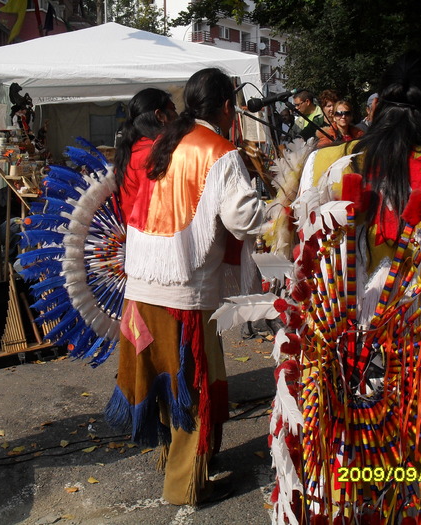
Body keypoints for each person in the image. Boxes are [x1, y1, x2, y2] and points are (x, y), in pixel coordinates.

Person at [105, 68, 265, 506]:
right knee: (191, 389)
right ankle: (184, 486)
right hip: (183, 290)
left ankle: (170, 462)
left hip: (141, 283)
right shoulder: (218, 150)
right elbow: (242, 219)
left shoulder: (167, 140)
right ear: (229, 108)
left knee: (164, 380)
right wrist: (275, 211)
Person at [302, 51, 421, 268]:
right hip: (411, 299)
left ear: (378, 106)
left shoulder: (322, 160)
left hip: (338, 298)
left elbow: (303, 260)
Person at [113, 88, 177, 220]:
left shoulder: (132, 149)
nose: (178, 116)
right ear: (160, 116)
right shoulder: (154, 153)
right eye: (173, 110)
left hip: (134, 232)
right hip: (151, 232)